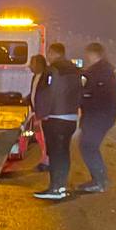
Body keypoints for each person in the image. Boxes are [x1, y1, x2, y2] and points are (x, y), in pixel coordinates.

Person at [33, 43, 81, 201]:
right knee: (63, 152)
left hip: (55, 117)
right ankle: (61, 185)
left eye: (49, 53)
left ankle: (56, 188)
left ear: (53, 53)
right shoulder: (74, 69)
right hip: (71, 117)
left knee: (55, 153)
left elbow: (47, 93)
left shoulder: (52, 70)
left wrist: (41, 114)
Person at [76, 42, 116, 193]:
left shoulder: (96, 72)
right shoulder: (106, 69)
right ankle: (100, 179)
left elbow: (88, 93)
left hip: (97, 115)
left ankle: (100, 181)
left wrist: (80, 99)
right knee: (88, 146)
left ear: (93, 54)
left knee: (88, 146)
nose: (86, 57)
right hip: (102, 115)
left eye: (87, 54)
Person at [27, 53, 50, 171]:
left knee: (45, 138)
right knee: (40, 137)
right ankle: (44, 159)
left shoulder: (46, 77)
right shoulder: (36, 76)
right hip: (37, 113)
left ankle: (46, 162)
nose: (29, 66)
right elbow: (34, 94)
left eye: (32, 63)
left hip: (43, 115)